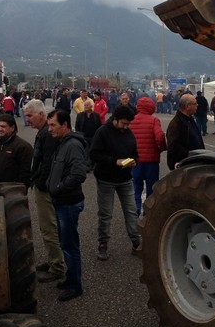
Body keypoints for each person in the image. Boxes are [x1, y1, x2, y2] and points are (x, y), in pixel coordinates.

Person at [89, 105, 141, 260]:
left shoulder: (128, 132)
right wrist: (114, 161)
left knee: (131, 211)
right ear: (115, 119)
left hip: (125, 179)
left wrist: (134, 161)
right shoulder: (102, 132)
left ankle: (136, 242)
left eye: (128, 124)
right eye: (124, 123)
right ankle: (103, 244)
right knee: (105, 214)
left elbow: (134, 152)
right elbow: (94, 154)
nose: (126, 127)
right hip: (106, 179)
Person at [47, 109, 88, 301]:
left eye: (53, 125)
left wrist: (59, 188)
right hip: (61, 201)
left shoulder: (72, 145)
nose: (50, 129)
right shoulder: (61, 143)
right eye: (49, 125)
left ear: (65, 125)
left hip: (68, 203)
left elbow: (79, 173)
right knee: (65, 243)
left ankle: (74, 285)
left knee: (70, 245)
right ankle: (70, 278)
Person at [24, 99, 66, 284]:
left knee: (49, 227)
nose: (27, 119)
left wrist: (41, 183)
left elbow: (48, 162)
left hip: (46, 187)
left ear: (41, 114)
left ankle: (57, 267)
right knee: (48, 226)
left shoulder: (47, 135)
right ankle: (52, 260)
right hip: (46, 184)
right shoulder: (43, 132)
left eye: (29, 115)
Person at [131, 96, 166, 216]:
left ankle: (135, 209)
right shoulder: (154, 120)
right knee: (152, 187)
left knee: (136, 186)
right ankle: (149, 211)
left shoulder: (132, 120)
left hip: (135, 160)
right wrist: (161, 148)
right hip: (151, 160)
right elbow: (160, 136)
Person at [0, 113, 33, 188]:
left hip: (14, 189)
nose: (0, 129)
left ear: (12, 128)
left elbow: (26, 172)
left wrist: (21, 188)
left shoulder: (22, 146)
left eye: (3, 127)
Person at [166, 93, 205, 170]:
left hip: (195, 162)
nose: (197, 105)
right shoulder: (176, 124)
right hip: (185, 165)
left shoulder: (189, 120)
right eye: (195, 103)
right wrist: (190, 155)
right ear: (187, 106)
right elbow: (173, 147)